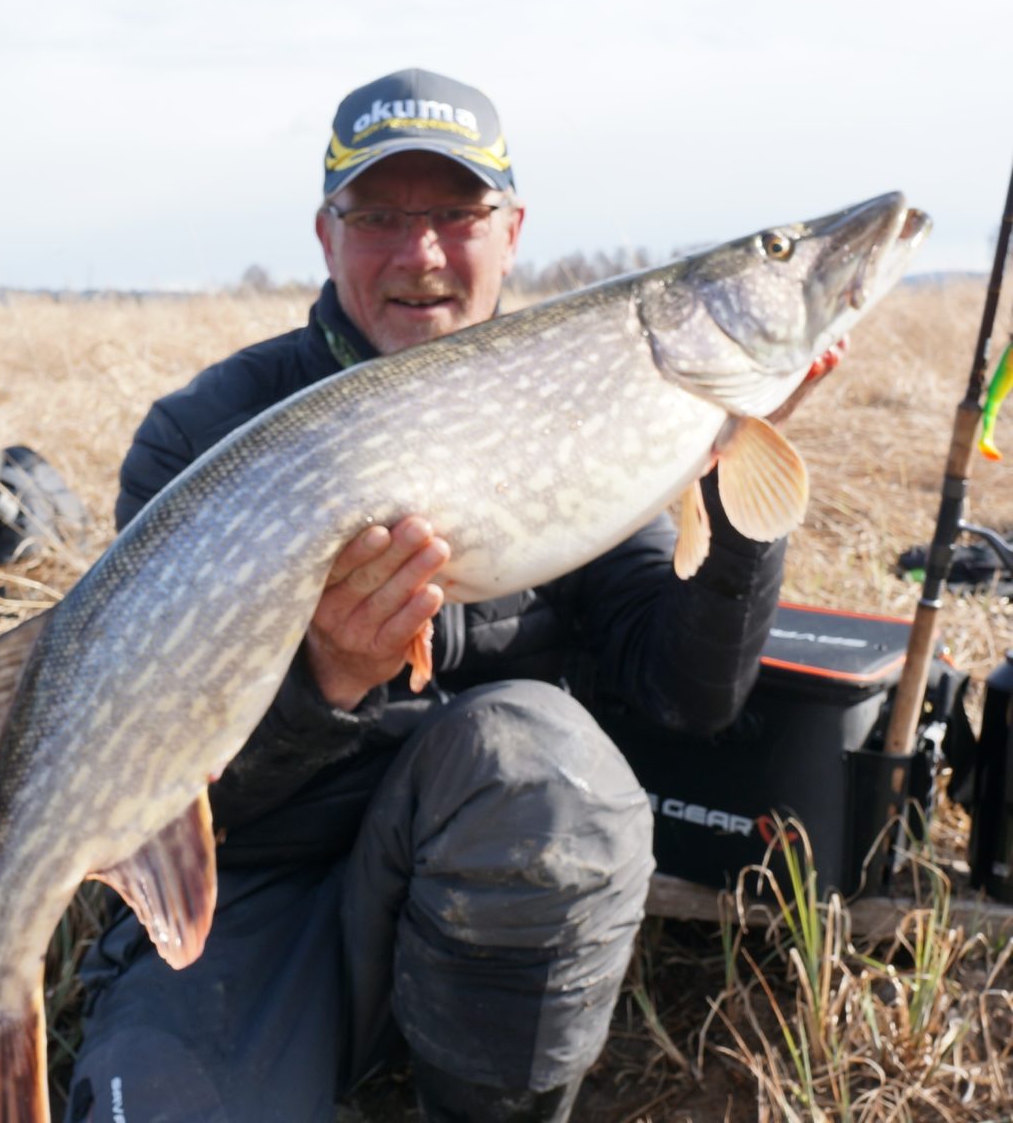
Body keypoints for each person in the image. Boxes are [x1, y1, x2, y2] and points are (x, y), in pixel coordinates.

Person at [66, 68, 789, 1123]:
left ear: (511, 230)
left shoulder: (585, 396)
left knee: (538, 759)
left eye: (457, 214)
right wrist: (330, 682)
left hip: (488, 888)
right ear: (326, 235)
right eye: (380, 218)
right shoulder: (201, 437)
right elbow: (149, 780)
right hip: (251, 888)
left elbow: (685, 689)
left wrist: (731, 491)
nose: (422, 254)